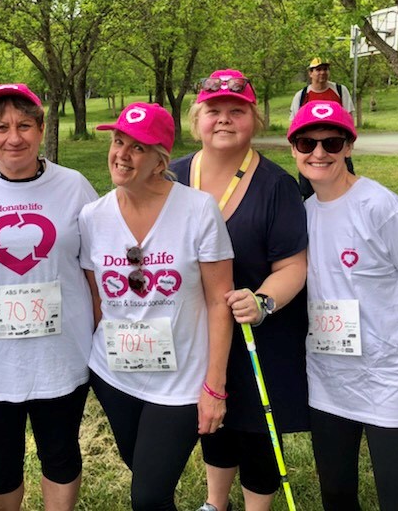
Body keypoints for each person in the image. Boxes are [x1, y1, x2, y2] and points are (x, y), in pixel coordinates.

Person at [0, 83, 97, 511]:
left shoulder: (75, 186)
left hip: (61, 353)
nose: (15, 137)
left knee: (61, 453)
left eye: (25, 125)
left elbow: (99, 263)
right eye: (2, 127)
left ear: (42, 128)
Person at [79, 102, 234, 511]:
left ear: (160, 159)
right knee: (142, 469)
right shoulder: (92, 216)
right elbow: (97, 297)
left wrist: (214, 386)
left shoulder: (198, 210)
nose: (121, 155)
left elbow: (220, 301)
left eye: (137, 148)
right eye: (117, 142)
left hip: (180, 380)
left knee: (147, 496)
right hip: (115, 376)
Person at [288, 100, 398, 511]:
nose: (319, 153)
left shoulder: (382, 208)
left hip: (388, 377)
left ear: (349, 147)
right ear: (294, 150)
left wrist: (394, 345)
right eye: (307, 143)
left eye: (331, 142)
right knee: (336, 494)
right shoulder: (303, 214)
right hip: (329, 379)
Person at [171, 69, 309, 511]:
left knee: (255, 427)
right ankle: (216, 501)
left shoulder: (277, 186)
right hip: (195, 330)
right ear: (197, 120)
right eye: (214, 111)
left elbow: (292, 265)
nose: (225, 120)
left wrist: (263, 300)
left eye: (237, 111)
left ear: (255, 119)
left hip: (256, 332)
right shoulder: (171, 177)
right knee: (214, 418)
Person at [290, 57, 355, 199]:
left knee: (346, 190)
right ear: (310, 73)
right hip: (310, 150)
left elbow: (349, 120)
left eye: (325, 69)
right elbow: (294, 125)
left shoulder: (340, 90)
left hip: (335, 148)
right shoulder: (301, 96)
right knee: (309, 193)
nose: (322, 73)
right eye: (318, 69)